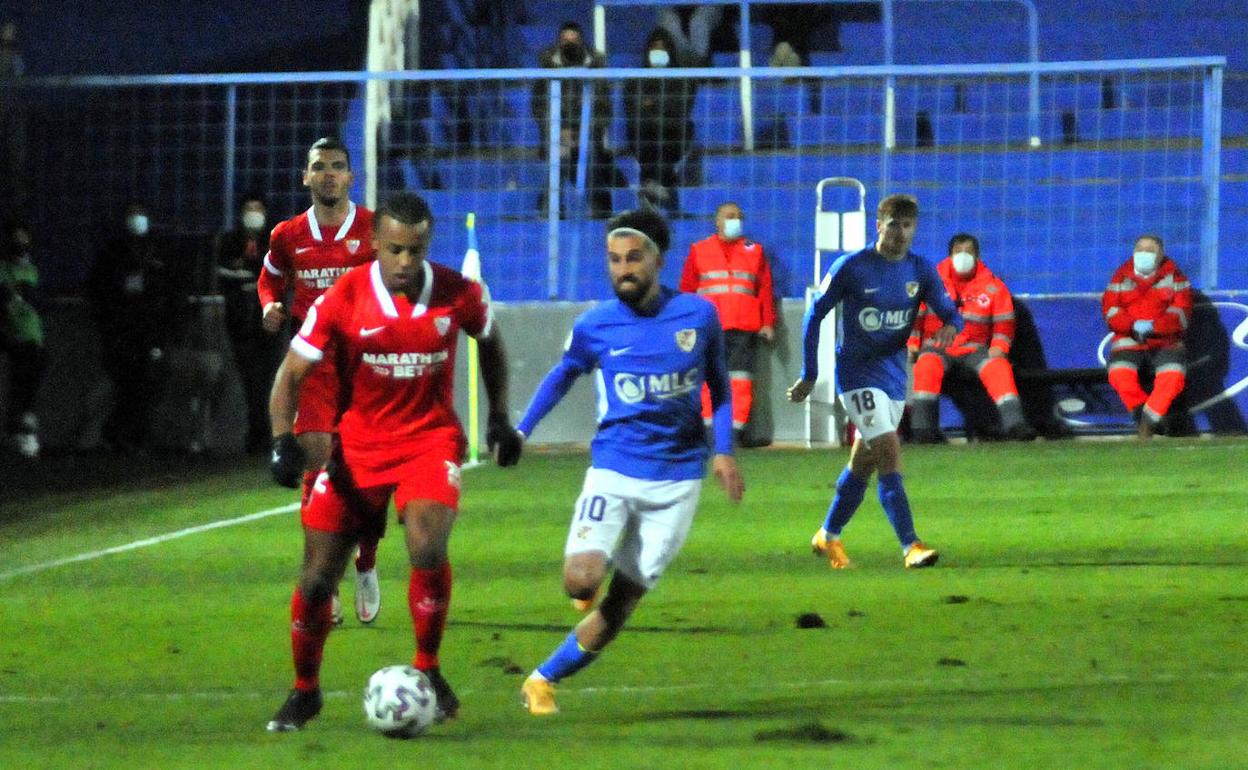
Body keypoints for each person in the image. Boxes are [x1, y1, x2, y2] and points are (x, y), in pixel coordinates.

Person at [264, 192, 522, 732]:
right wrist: (282, 439)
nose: (405, 262)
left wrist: (500, 416)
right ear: (375, 243)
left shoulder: (457, 293)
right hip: (357, 449)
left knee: (426, 545)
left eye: (416, 250)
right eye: (395, 250)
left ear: (428, 245)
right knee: (316, 580)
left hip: (429, 442)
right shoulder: (343, 297)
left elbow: (492, 342)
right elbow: (291, 373)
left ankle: (429, 668)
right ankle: (305, 691)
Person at [516, 208, 745, 716]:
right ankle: (588, 572)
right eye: (615, 259)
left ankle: (541, 680)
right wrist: (522, 430)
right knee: (580, 581)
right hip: (614, 470)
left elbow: (720, 388)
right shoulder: (595, 324)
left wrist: (724, 451)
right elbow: (563, 375)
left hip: (678, 481)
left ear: (659, 261)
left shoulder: (698, 315)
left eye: (634, 258)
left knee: (620, 603)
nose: (623, 269)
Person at [787, 194, 960, 569]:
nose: (900, 233)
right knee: (888, 448)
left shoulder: (920, 270)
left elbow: (951, 313)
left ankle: (827, 535)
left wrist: (950, 325)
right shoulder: (852, 267)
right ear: (878, 225)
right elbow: (814, 315)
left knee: (863, 463)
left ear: (915, 229)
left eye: (907, 225)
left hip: (894, 377)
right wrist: (810, 373)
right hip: (856, 375)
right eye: (894, 224)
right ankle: (911, 545)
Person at [256, 137, 383, 626]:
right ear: (305, 177)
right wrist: (269, 303)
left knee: (367, 472)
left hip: (366, 361)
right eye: (319, 166)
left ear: (350, 176)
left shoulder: (373, 229)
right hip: (314, 362)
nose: (329, 174)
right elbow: (270, 277)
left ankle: (365, 561)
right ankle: (322, 579)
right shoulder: (288, 235)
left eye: (337, 166)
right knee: (316, 461)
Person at [907, 233, 1036, 443]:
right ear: (950, 255)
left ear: (977, 256)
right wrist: (913, 344)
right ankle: (923, 430)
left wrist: (999, 348)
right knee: (926, 367)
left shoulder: (993, 286)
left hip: (975, 349)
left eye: (969, 252)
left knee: (998, 368)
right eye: (958, 251)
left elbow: (1004, 323)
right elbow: (915, 317)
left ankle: (1015, 425)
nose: (963, 256)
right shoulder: (931, 283)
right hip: (937, 346)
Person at [678, 202, 775, 443]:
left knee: (740, 379)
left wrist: (767, 322)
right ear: (718, 221)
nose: (736, 220)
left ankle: (735, 429)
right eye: (730, 216)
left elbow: (764, 289)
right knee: (707, 378)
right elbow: (687, 290)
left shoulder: (754, 250)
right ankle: (708, 428)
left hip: (743, 326)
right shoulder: (699, 250)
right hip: (709, 326)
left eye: (739, 216)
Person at [87, 202, 174, 453]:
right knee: (127, 386)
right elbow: (100, 291)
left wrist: (164, 330)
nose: (137, 219)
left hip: (150, 331)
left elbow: (170, 291)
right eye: (133, 214)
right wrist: (110, 327)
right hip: (122, 332)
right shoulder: (114, 253)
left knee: (146, 386)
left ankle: (132, 436)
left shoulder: (158, 251)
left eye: (140, 214)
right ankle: (123, 435)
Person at [1101, 234, 1193, 439]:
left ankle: (1149, 420)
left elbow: (1181, 312)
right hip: (1128, 340)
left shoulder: (1175, 277)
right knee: (1118, 373)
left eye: (1150, 250)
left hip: (1165, 341)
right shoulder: (1120, 276)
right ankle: (1144, 416)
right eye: (1139, 249)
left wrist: (1154, 327)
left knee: (1173, 375)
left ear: (1161, 254)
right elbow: (1110, 310)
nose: (1144, 254)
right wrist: (1131, 325)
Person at [531, 21, 623, 218]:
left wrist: (585, 132)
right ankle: (550, 210)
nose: (570, 45)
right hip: (557, 133)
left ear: (582, 42)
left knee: (589, 160)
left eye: (574, 40)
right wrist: (557, 131)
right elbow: (538, 106)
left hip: (589, 132)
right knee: (560, 158)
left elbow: (604, 108)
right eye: (565, 40)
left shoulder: (596, 67)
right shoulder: (547, 67)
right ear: (558, 42)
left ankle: (600, 212)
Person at [214, 194, 281, 455]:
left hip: (270, 322)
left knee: (266, 380)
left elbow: (277, 275)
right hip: (241, 323)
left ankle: (262, 436)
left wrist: (251, 279)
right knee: (251, 381)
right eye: (249, 208)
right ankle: (258, 435)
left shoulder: (274, 241)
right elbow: (226, 274)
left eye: (258, 208)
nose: (253, 213)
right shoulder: (230, 242)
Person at [624, 27, 697, 213]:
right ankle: (666, 194)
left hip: (674, 133)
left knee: (664, 135)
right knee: (648, 133)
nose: (659, 51)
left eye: (663, 47)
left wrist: (652, 104)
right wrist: (662, 107)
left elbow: (681, 108)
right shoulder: (635, 80)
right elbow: (632, 109)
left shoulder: (683, 79)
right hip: (644, 135)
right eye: (655, 47)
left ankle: (651, 189)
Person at [0, 219, 43, 458]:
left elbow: (36, 301)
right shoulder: (3, 268)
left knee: (27, 381)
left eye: (23, 238)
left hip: (30, 332)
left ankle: (21, 426)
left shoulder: (32, 268)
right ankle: (20, 429)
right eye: (15, 238)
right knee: (21, 381)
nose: (20, 243)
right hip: (11, 331)